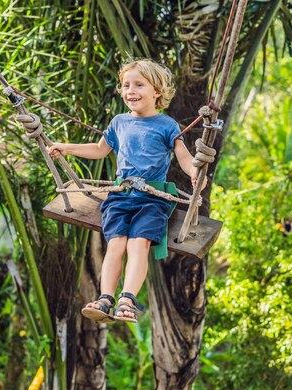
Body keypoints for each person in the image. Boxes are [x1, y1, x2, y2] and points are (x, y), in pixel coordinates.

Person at [48, 59, 204, 324]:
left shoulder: (167, 125)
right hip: (121, 195)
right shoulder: (119, 122)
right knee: (116, 244)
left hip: (152, 198)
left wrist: (195, 173)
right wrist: (66, 147)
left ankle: (127, 299)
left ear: (157, 91)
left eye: (139, 85)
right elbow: (99, 150)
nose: (130, 90)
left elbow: (184, 156)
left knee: (138, 244)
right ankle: (106, 298)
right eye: (126, 85)